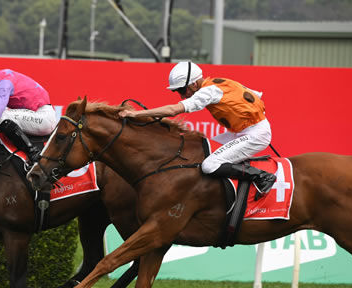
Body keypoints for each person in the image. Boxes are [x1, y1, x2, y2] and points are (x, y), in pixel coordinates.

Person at [118, 61, 277, 196]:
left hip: (255, 133)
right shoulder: (218, 82)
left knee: (209, 165)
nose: (181, 95)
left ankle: (262, 177)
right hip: (246, 131)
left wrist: (136, 115)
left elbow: (174, 110)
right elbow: (257, 96)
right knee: (202, 150)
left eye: (182, 90)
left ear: (194, 83)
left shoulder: (208, 91)